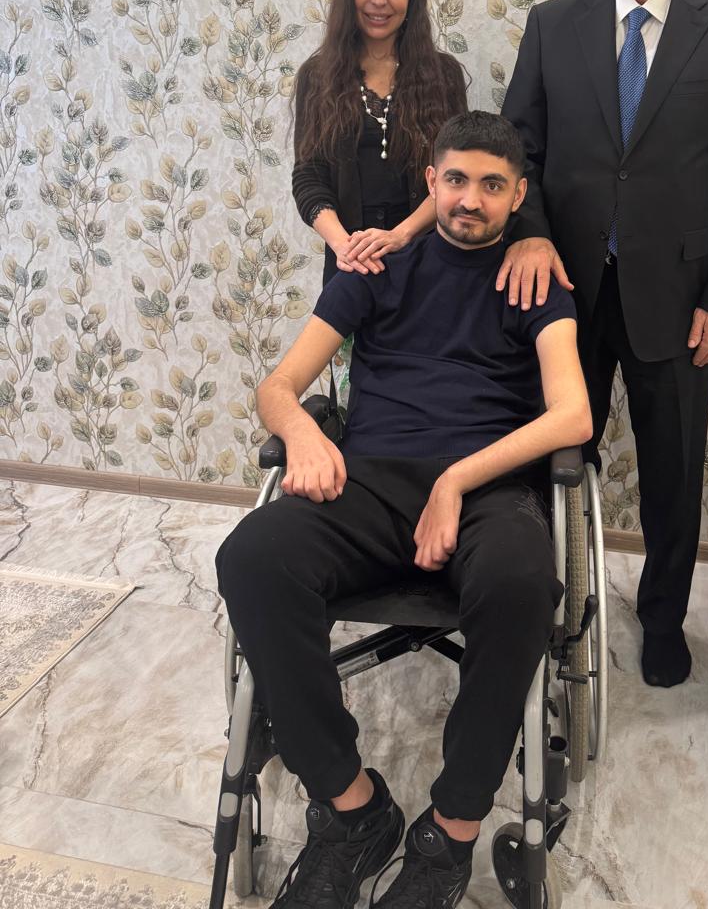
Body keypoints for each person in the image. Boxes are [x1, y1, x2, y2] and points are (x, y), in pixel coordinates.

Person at [217, 112, 592, 909]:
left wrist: (456, 481)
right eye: (455, 180)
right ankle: (353, 811)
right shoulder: (376, 268)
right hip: (372, 480)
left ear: (517, 195)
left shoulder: (534, 281)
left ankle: (450, 832)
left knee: (523, 583)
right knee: (251, 558)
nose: (470, 199)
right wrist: (303, 435)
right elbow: (279, 386)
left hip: (489, 489)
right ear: (431, 182)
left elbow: (573, 417)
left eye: (491, 185)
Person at [500, 0, 708, 688]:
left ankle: (662, 622)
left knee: (672, 476)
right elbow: (518, 153)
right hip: (566, 295)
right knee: (554, 462)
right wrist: (531, 236)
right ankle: (547, 610)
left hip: (683, 299)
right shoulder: (553, 25)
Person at [292, 0, 468, 284]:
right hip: (350, 261)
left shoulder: (443, 74)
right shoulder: (317, 76)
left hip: (427, 259)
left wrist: (400, 235)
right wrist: (344, 246)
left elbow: (456, 174)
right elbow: (309, 176)